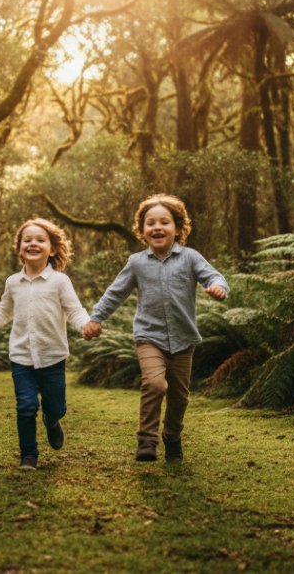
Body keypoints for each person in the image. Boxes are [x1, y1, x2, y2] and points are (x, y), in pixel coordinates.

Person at [82, 194, 228, 463]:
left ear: (178, 228)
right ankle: (147, 441)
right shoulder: (136, 263)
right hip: (149, 337)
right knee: (154, 383)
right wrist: (95, 318)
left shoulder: (191, 258)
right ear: (142, 230)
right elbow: (115, 293)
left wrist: (219, 287)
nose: (157, 227)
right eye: (150, 223)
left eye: (164, 222)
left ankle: (172, 436)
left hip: (183, 339)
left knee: (179, 397)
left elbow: (214, 275)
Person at [0, 218, 91, 471]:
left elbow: (74, 310)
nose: (33, 243)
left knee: (56, 406)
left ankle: (52, 420)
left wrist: (86, 325)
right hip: (21, 357)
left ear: (52, 248)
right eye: (27, 240)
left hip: (53, 357)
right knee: (26, 405)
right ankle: (29, 455)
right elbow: (3, 311)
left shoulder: (59, 281)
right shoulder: (13, 282)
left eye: (40, 240)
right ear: (19, 248)